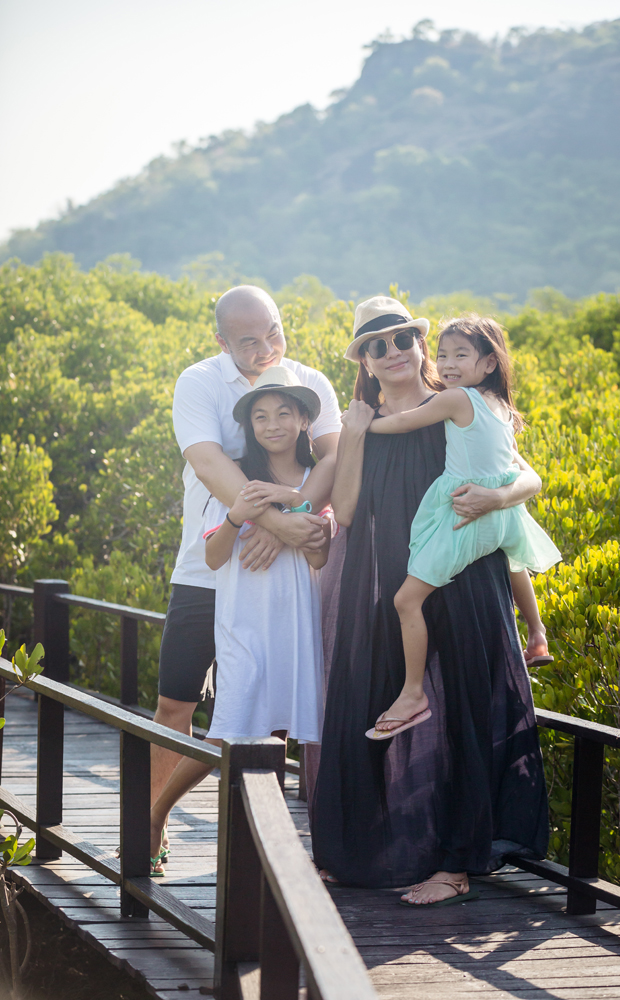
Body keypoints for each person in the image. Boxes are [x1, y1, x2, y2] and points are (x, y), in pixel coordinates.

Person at [311, 296, 549, 906]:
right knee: (371, 701)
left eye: (401, 340)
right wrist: (355, 435)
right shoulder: (360, 418)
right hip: (390, 574)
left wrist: (498, 501)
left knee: (465, 708)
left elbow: (523, 474)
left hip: (465, 565)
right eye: (375, 345)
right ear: (362, 359)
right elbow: (351, 510)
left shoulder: (456, 400)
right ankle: (358, 853)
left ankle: (456, 864)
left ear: (420, 344)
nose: (391, 352)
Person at [153, 285, 341, 854]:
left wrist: (298, 523)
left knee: (274, 716)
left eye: (274, 333)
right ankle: (151, 825)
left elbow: (333, 456)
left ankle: (262, 846)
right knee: (176, 702)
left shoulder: (310, 381)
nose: (266, 349)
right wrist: (275, 523)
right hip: (207, 571)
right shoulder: (201, 381)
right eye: (249, 342)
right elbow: (208, 461)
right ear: (222, 341)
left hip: (282, 582)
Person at [366, 315, 561, 738]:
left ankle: (413, 692)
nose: (448, 364)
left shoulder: (456, 400)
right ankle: (537, 631)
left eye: (460, 355)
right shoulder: (503, 408)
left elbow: (405, 422)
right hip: (504, 515)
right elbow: (517, 468)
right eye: (442, 355)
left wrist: (364, 426)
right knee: (514, 564)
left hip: (467, 513)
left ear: (489, 363)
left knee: (405, 601)